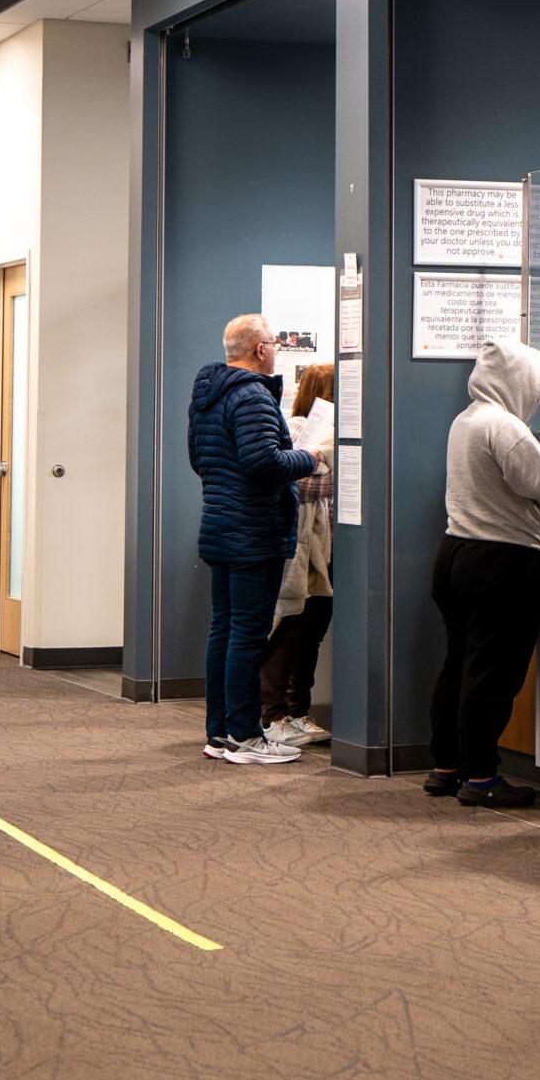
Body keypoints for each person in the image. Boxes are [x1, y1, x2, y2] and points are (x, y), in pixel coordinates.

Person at [426, 337, 540, 809]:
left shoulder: (468, 419)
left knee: (458, 663)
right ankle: (481, 777)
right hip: (503, 561)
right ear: (520, 381)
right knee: (492, 675)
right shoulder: (505, 426)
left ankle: (447, 766)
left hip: (456, 552)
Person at [189, 314, 320, 765]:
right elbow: (263, 464)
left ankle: (221, 732)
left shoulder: (209, 395)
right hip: (254, 531)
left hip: (220, 525)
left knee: (224, 630)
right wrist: (310, 457)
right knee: (247, 633)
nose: (278, 350)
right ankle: (245, 735)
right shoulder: (252, 397)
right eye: (274, 343)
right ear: (260, 349)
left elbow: (200, 461)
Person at [261, 363, 337, 749]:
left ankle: (297, 711)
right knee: (290, 630)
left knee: (312, 634)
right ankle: (272, 714)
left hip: (326, 550)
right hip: (299, 550)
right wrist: (326, 459)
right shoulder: (292, 429)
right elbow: (301, 484)